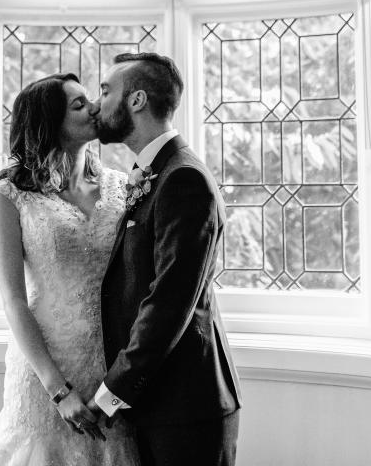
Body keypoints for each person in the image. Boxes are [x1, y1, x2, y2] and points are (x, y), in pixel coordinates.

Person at [0, 73, 140, 466]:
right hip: (46, 368)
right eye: (79, 105)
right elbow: (13, 300)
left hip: (110, 363)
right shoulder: (11, 195)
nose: (95, 107)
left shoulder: (122, 185)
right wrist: (57, 389)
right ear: (50, 123)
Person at [86, 52, 242, 466]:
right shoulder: (155, 172)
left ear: (136, 100)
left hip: (186, 409)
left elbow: (168, 302)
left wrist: (109, 394)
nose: (97, 103)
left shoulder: (183, 178)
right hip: (159, 404)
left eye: (105, 90)